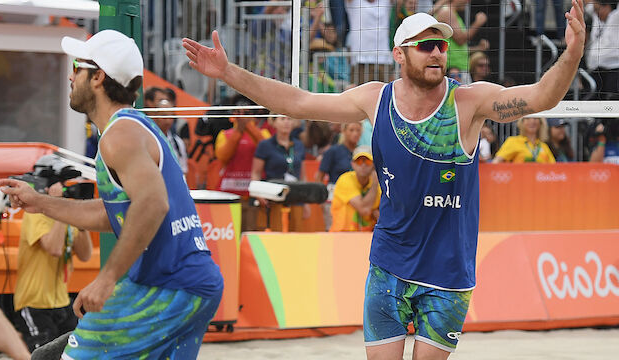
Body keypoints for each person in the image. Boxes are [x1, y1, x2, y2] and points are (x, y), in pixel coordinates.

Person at [183, 2, 585, 357]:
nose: (437, 53)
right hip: (389, 265)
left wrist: (572, 52)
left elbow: (540, 98)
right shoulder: (375, 99)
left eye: (442, 46)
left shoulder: (469, 101)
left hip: (448, 272)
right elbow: (297, 102)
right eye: (426, 46)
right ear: (399, 54)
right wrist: (227, 73)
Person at [0, 29, 223, 359]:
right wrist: (40, 201)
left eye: (78, 67)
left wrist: (106, 279)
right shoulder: (132, 129)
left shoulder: (119, 136)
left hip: (165, 287)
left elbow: (153, 203)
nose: (70, 76)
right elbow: (113, 213)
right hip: (192, 284)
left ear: (98, 77)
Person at [13, 156, 92, 352]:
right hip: (35, 303)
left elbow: (85, 255)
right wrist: (61, 209)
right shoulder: (34, 214)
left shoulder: (63, 213)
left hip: (62, 302)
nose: (64, 188)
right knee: (44, 355)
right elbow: (54, 249)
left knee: (77, 353)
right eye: (60, 183)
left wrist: (81, 221)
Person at [215, 94, 271, 231]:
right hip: (229, 195)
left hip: (253, 196)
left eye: (246, 113)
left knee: (252, 235)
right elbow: (223, 156)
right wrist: (238, 131)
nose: (242, 115)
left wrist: (248, 127)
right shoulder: (224, 134)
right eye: (238, 112)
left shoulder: (263, 134)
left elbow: (269, 150)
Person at [316, 122, 362, 230]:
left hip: (357, 199)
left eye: (358, 130)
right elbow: (320, 176)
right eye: (351, 130)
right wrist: (321, 199)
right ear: (344, 131)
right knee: (335, 228)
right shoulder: (333, 151)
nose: (355, 134)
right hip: (335, 197)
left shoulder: (362, 152)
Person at [434, 0, 489, 83]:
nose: (468, 1)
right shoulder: (447, 12)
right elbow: (460, 39)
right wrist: (477, 23)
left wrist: (478, 48)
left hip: (459, 68)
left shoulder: (452, 12)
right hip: (454, 70)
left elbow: (458, 48)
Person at [330, 146, 381, 231]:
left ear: (373, 164)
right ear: (353, 164)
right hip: (342, 236)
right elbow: (364, 210)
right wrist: (375, 184)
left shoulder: (377, 184)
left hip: (365, 238)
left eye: (367, 161)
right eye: (359, 161)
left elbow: (380, 214)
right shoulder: (345, 180)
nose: (363, 165)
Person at [585, 0, 619, 100]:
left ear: (607, 6)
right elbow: (589, 4)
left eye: (597, 10)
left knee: (610, 103)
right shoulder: (597, 16)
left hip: (613, 68)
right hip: (596, 69)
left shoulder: (616, 16)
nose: (595, 13)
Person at [492, 117, 556, 163]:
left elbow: (553, 168)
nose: (532, 121)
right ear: (522, 122)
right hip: (518, 180)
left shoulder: (543, 146)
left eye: (535, 118)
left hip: (540, 180)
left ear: (540, 122)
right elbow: (497, 161)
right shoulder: (513, 141)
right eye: (527, 118)